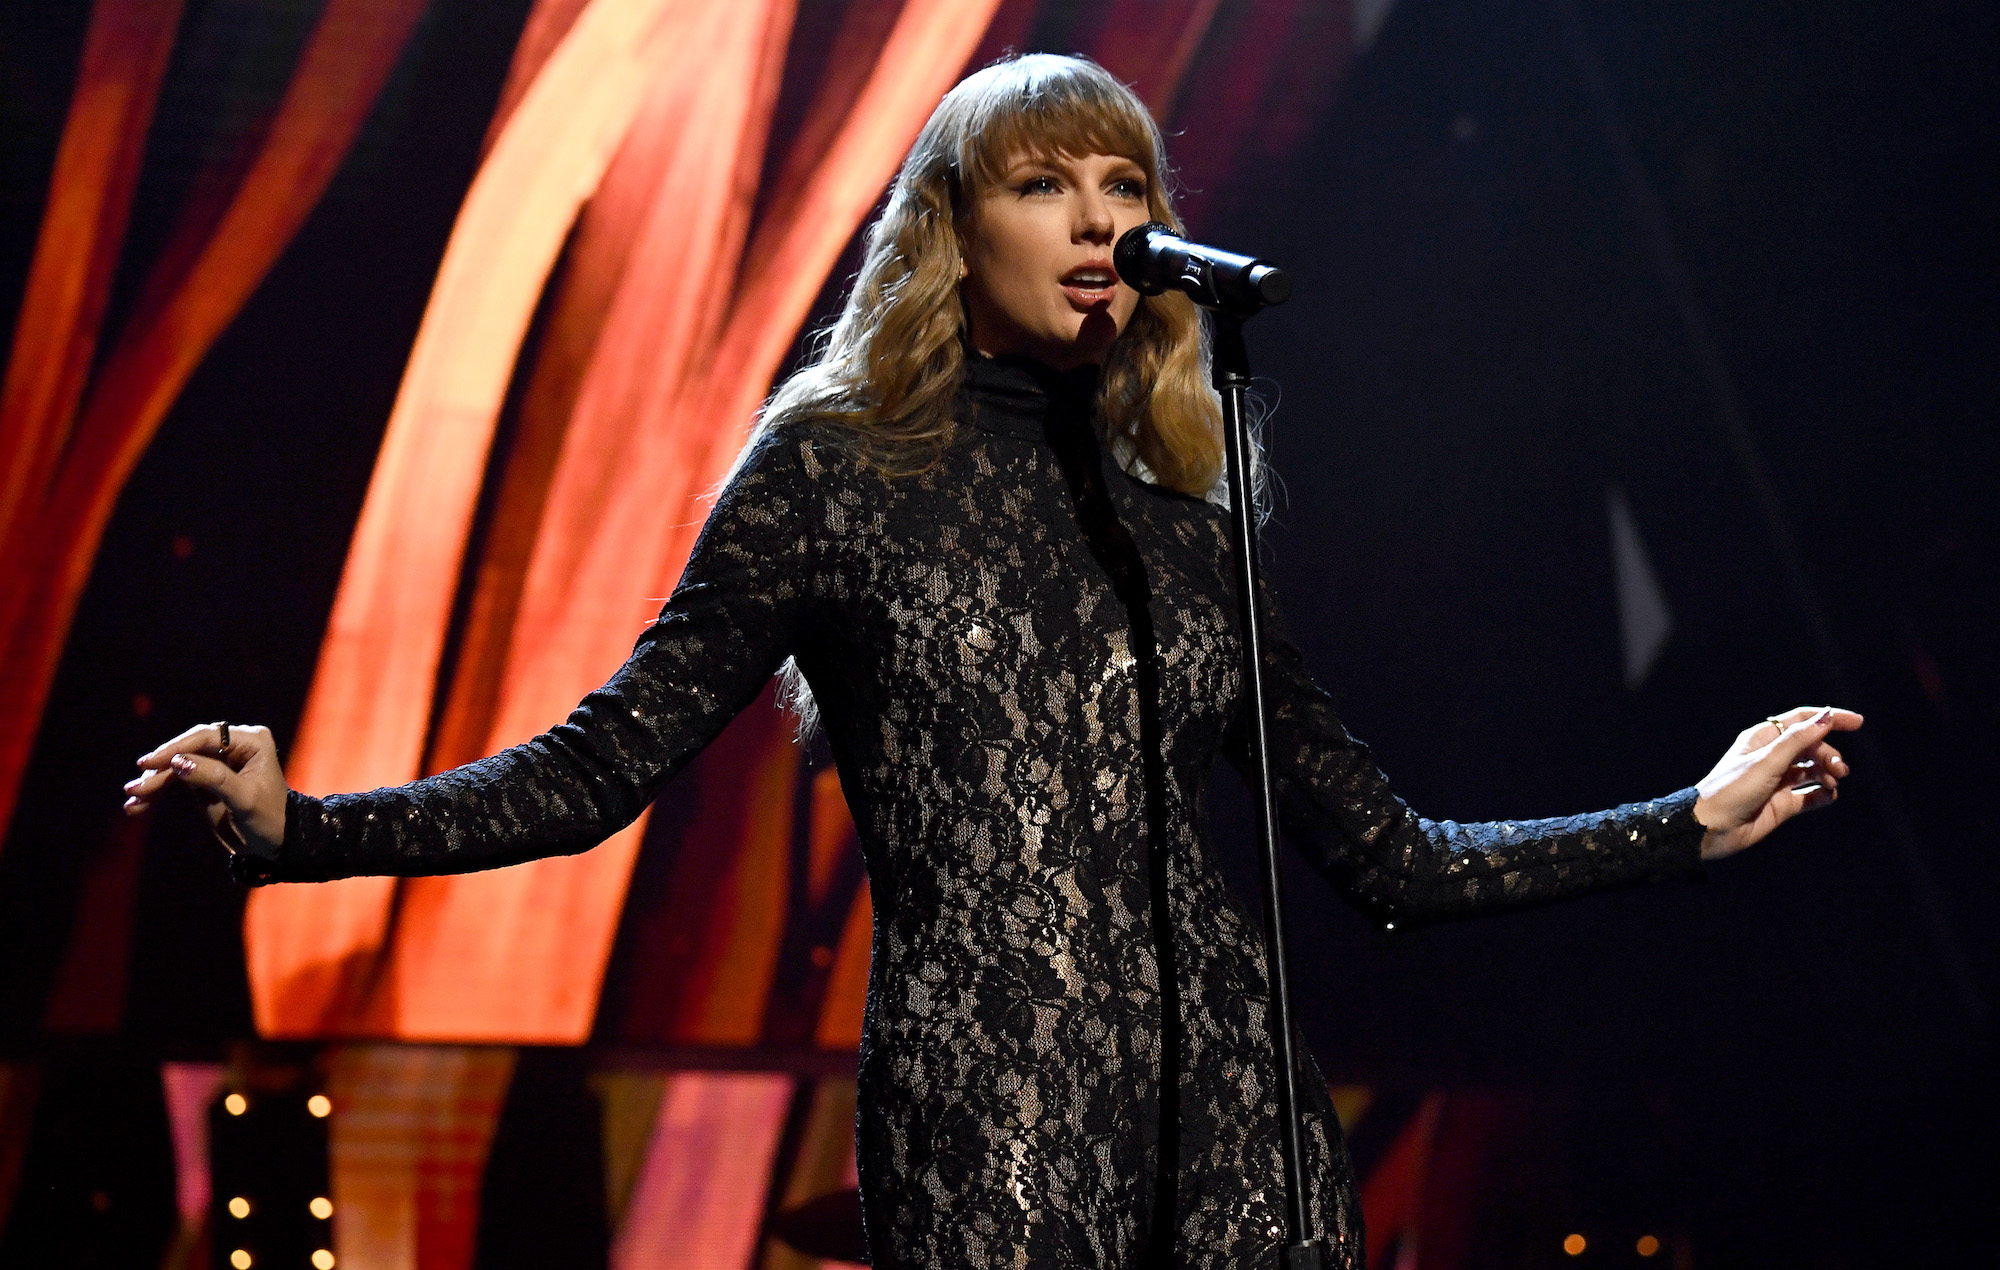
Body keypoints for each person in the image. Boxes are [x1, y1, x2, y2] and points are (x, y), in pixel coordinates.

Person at [124, 54, 1859, 1270]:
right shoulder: (836, 469)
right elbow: (598, 766)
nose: (1100, 218)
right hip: (997, 1131)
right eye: (1047, 184)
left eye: (1128, 185)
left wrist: (1686, 821)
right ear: (956, 227)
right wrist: (306, 831)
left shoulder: (1185, 512)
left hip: (1243, 1135)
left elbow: (1384, 854)